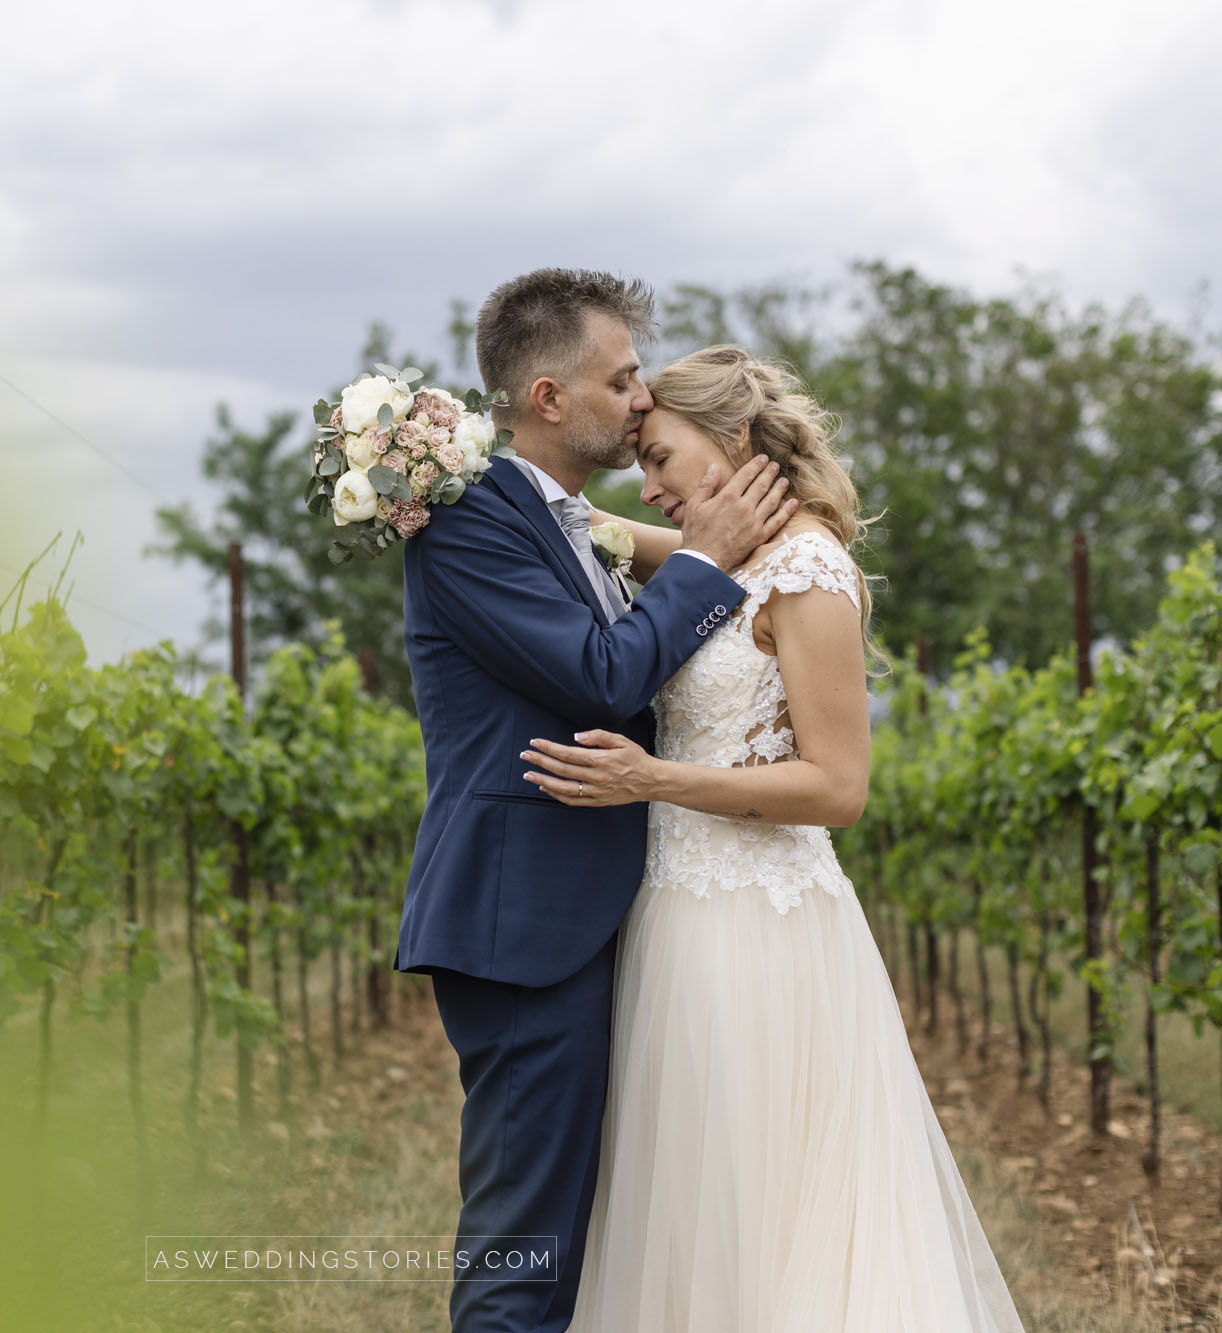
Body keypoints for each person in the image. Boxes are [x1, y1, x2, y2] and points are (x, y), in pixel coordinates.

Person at [522, 345, 1027, 1331]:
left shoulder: (807, 571)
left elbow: (839, 787)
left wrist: (653, 779)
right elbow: (593, 530)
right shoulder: (721, 554)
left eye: (661, 458)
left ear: (736, 439)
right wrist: (459, 477)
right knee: (691, 1204)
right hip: (674, 914)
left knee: (766, 1204)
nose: (651, 487)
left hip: (760, 926)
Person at [394, 269, 796, 1332]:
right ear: (547, 397)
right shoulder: (469, 520)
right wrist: (708, 556)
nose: (639, 398)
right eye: (619, 381)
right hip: (522, 925)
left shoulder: (569, 522)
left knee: (575, 1243)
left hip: (587, 915)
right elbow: (602, 677)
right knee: (523, 1255)